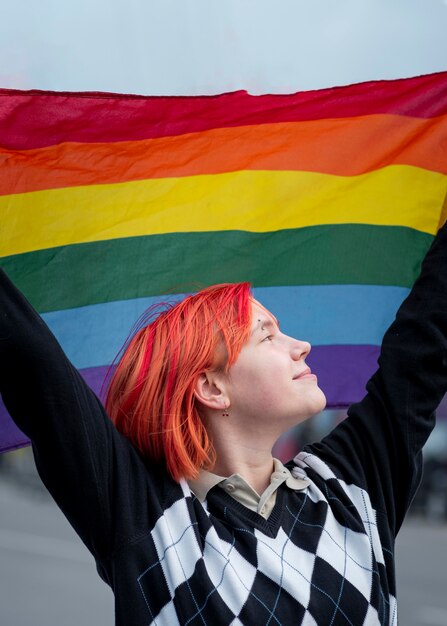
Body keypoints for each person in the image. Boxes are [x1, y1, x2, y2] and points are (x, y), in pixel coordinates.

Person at [0, 220, 446, 625]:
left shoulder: (351, 485)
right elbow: (33, 366)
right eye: (268, 335)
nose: (303, 345)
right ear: (212, 388)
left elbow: (426, 340)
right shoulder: (145, 516)